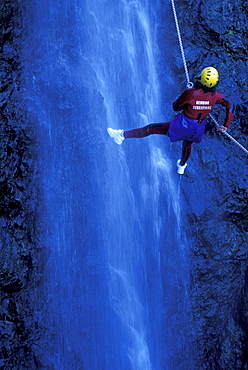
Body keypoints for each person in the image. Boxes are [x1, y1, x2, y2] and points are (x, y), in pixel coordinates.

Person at [107, 67, 234, 174]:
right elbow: (230, 105)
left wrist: (187, 94)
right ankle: (182, 166)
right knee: (188, 144)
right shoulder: (216, 96)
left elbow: (175, 107)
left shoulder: (191, 93)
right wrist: (225, 125)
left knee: (151, 128)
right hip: (198, 129)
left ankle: (121, 135)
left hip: (183, 125)